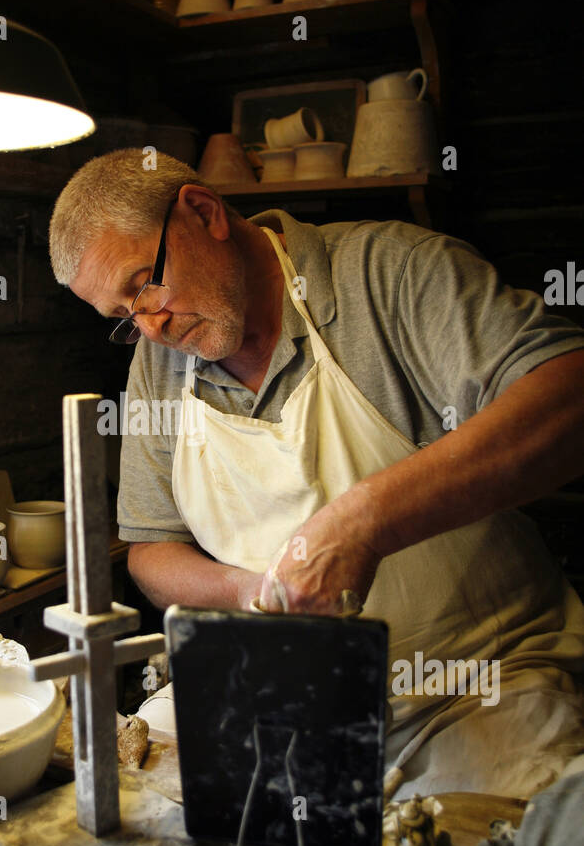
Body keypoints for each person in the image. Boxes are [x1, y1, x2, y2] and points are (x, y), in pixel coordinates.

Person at [49, 148, 584, 801]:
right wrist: (254, 594)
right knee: (149, 815)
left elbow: (569, 397)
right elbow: (150, 548)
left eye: (145, 285)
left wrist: (363, 522)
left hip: (472, 683)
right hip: (278, 689)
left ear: (204, 212)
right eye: (124, 318)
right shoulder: (158, 364)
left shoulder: (392, 274)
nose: (151, 326)